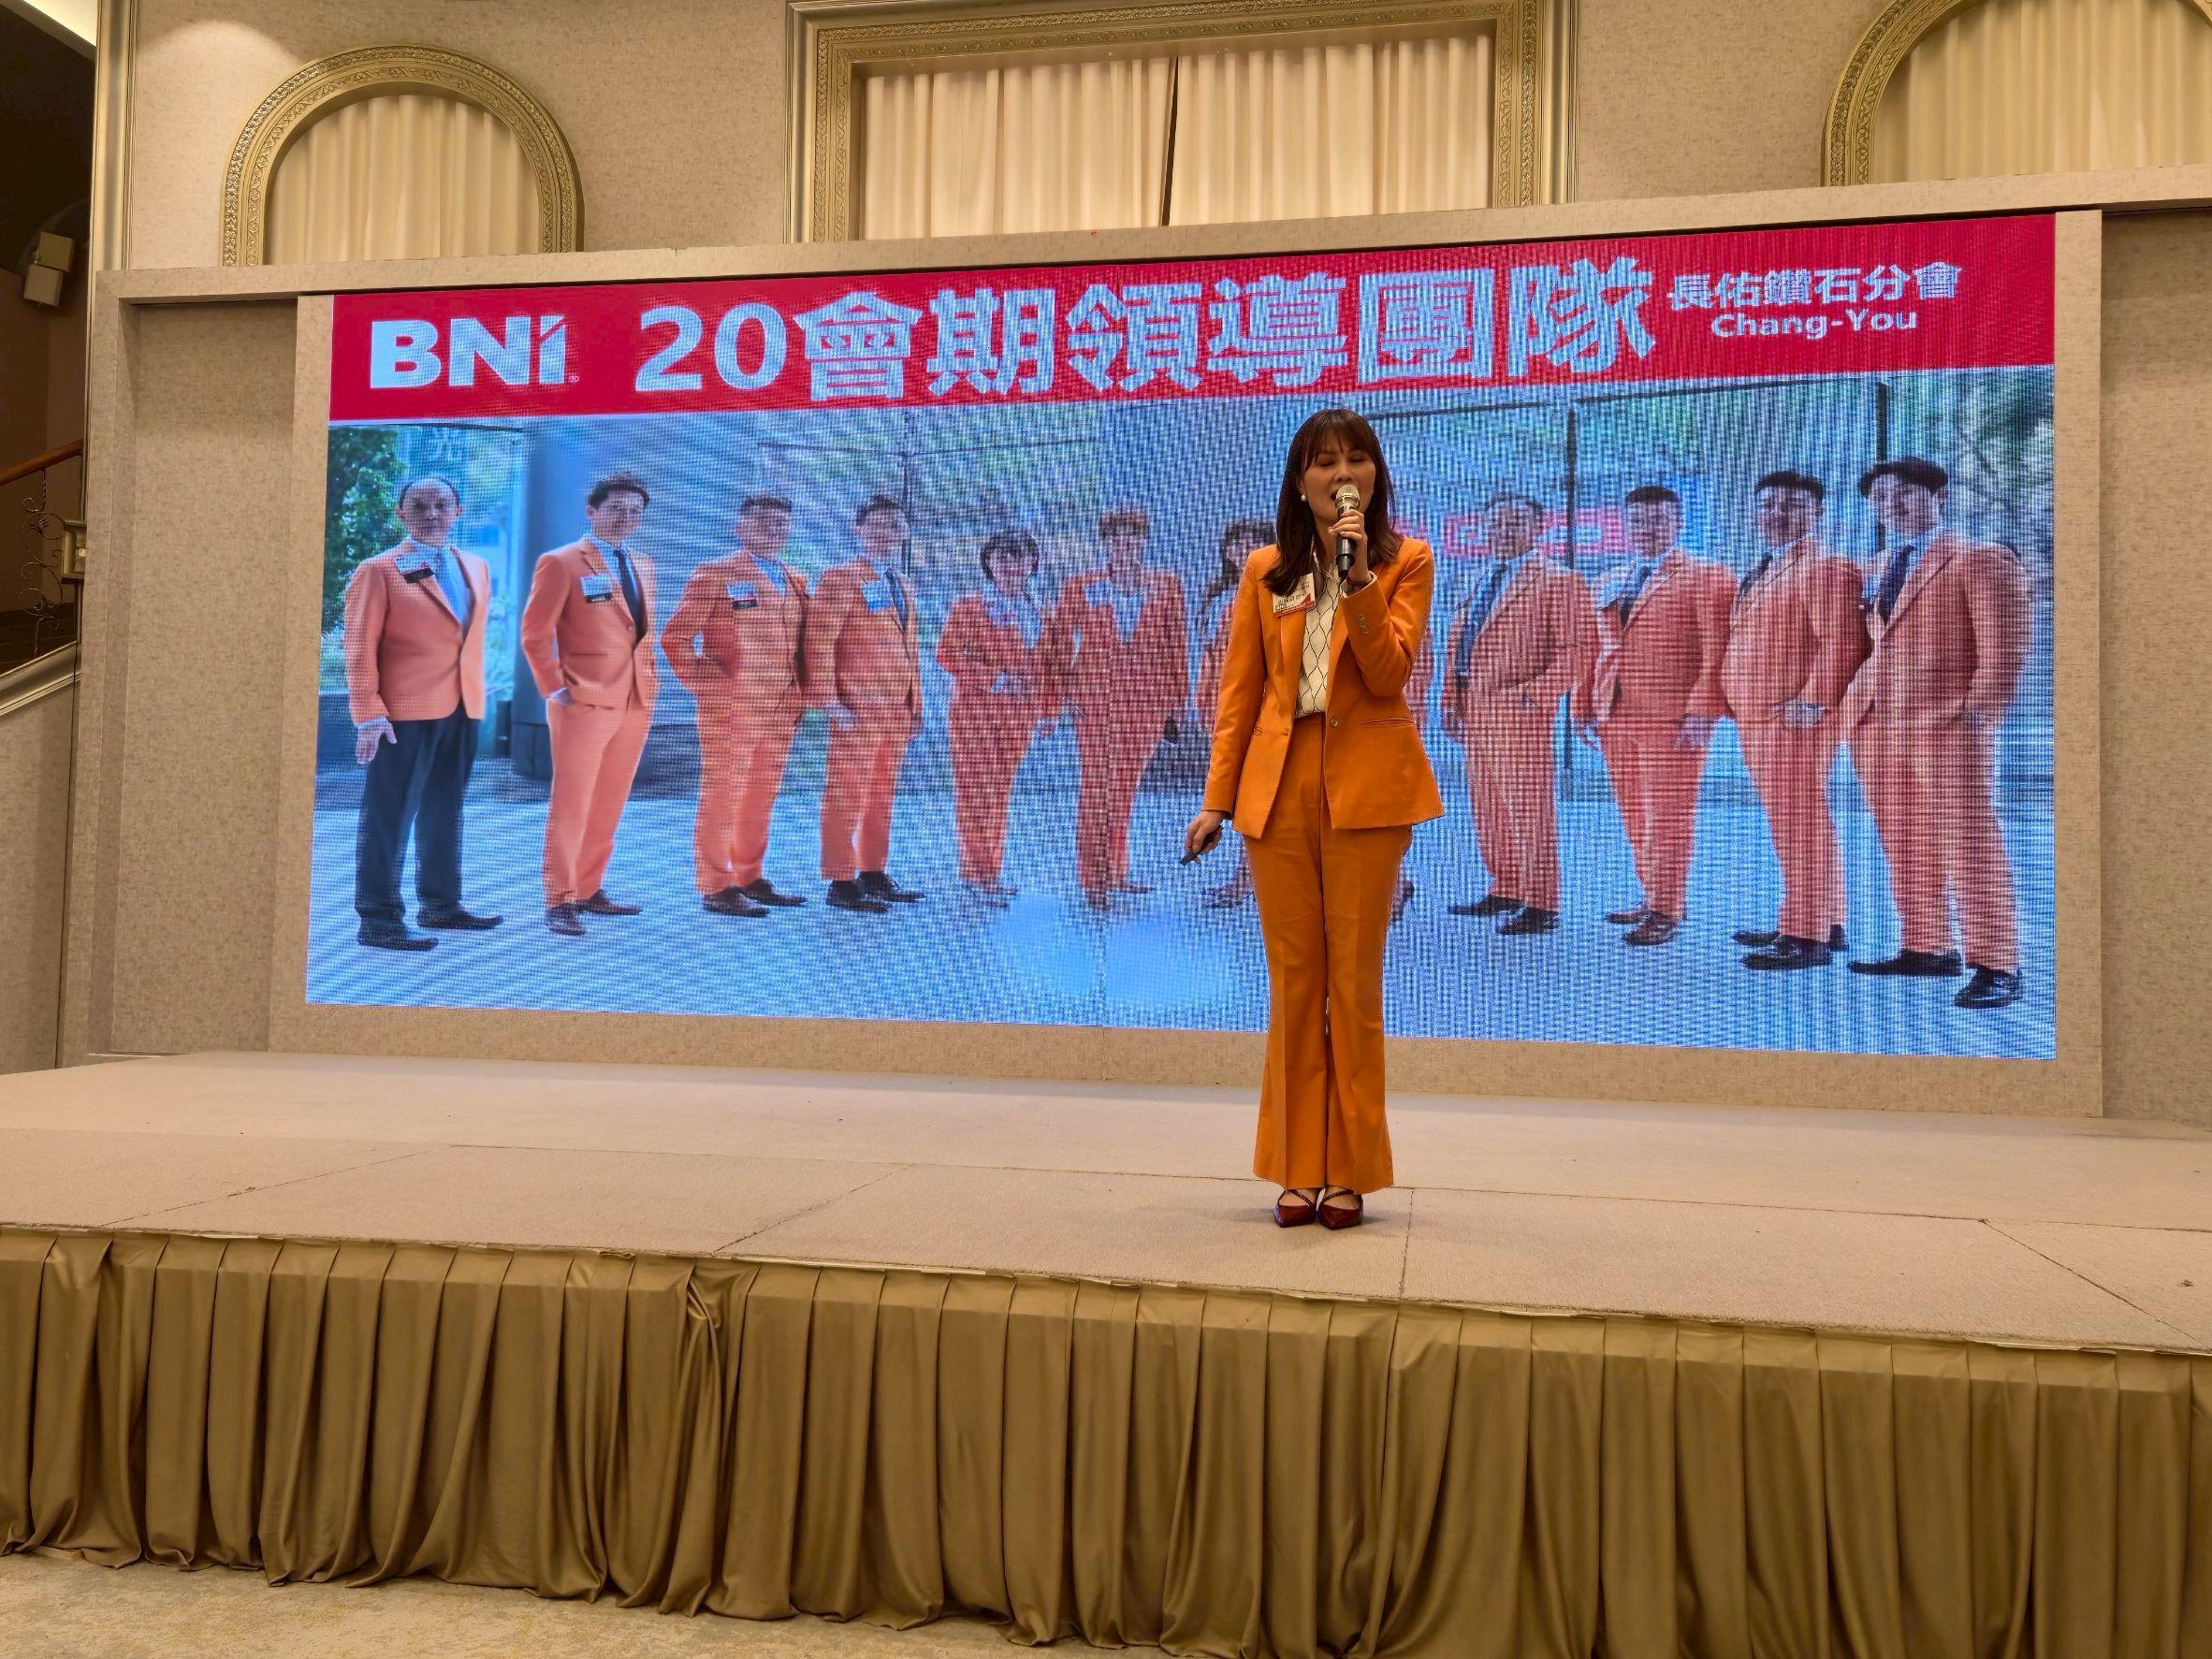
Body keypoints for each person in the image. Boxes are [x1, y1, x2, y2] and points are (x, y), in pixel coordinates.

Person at [1185, 407, 1444, 1231]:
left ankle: (1352, 1171)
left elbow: (1389, 673)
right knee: (1295, 983)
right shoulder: (1265, 569)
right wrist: (1217, 799)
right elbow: (1240, 694)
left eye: (1356, 459)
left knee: (1352, 985)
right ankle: (1300, 1167)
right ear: (1300, 483)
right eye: (1324, 462)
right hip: (1278, 788)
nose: (1342, 474)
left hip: (1368, 793)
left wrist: (1358, 576)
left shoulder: (1406, 560)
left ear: (1376, 475)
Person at [1841, 458, 2031, 1009]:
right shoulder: (1879, 564)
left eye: (1903, 493)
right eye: (1880, 499)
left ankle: (1997, 963)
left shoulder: (1979, 558)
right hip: (1877, 723)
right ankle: (1927, 946)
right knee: (1905, 838)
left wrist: (1979, 715)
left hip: (1947, 723)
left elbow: (2005, 647)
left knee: (1968, 840)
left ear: (1938, 495)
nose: (1891, 505)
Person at [342, 475, 500, 951]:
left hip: (463, 706)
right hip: (403, 713)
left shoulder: (476, 566)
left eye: (441, 504)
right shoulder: (378, 570)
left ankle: (441, 905)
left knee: (444, 810)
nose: (431, 513)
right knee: (389, 815)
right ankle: (378, 919)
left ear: (458, 511)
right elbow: (358, 646)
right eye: (419, 505)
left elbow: (464, 637)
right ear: (401, 513)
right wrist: (369, 712)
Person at [1720, 470, 1869, 970]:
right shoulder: (1768, 566)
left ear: (1817, 513)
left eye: (1792, 505)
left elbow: (1843, 641)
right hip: (1760, 715)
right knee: (1799, 822)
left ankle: (1806, 936)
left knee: (1799, 824)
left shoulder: (1825, 567)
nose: (1777, 514)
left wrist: (1814, 701)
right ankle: (1824, 920)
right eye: (1768, 505)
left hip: (1794, 718)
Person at [1579, 485, 1734, 947]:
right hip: (1614, 713)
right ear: (1624, 526)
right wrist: (1584, 704)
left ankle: (1667, 908)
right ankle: (1652, 895)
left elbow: (1716, 650)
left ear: (1678, 522)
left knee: (1668, 816)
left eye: (1658, 519)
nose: (1647, 528)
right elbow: (1596, 648)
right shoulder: (1610, 578)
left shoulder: (1707, 575)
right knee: (1635, 813)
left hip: (1672, 718)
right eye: (1638, 520)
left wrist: (1703, 711)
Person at [1438, 492, 1597, 935]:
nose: (1504, 532)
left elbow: (1579, 651)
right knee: (1488, 805)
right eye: (1496, 523)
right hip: (1474, 709)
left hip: (1520, 710)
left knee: (1528, 806)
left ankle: (1541, 902)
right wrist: (1451, 701)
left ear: (1538, 528)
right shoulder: (1478, 578)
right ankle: (1506, 886)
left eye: (1515, 523)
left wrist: (1533, 695)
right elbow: (1458, 643)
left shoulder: (1559, 580)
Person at [519, 471, 660, 939]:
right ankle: (559, 899)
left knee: (609, 801)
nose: (625, 517)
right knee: (572, 803)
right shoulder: (561, 562)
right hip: (582, 700)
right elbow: (535, 633)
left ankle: (589, 887)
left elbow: (640, 633)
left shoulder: (643, 563)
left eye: (634, 511)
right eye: (616, 508)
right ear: (592, 511)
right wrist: (554, 689)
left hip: (635, 699)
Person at [660, 492, 811, 920]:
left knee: (761, 795)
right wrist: (710, 686)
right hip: (732, 708)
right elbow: (675, 638)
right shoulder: (715, 574)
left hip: (781, 706)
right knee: (724, 795)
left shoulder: (795, 578)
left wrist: (803, 692)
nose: (773, 529)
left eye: (780, 522)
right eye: (762, 521)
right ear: (740, 527)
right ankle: (715, 884)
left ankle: (749, 875)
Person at [1044, 505, 1191, 910]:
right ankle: (1093, 878)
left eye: (1133, 536)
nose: (1125, 543)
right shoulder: (1080, 586)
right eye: (1116, 537)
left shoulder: (1166, 585)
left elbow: (1176, 646)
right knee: (1097, 787)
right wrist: (1057, 698)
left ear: (1144, 542)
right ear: (1105, 543)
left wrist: (1178, 701)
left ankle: (1116, 870)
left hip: (1147, 702)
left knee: (1124, 788)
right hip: (1094, 702)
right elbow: (1059, 643)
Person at [806, 495, 926, 913]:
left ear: (904, 533)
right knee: (846, 794)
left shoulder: (902, 582)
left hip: (896, 711)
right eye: (876, 524)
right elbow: (819, 643)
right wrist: (829, 701)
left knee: (881, 795)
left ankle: (873, 871)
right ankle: (841, 881)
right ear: (858, 530)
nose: (886, 533)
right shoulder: (840, 578)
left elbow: (909, 648)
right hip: (855, 710)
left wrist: (915, 705)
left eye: (895, 525)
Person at [936, 529, 1055, 906]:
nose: (1010, 564)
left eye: (1019, 557)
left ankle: (988, 871)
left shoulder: (1042, 611)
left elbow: (1050, 666)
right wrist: (997, 679)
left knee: (999, 792)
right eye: (1002, 556)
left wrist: (1048, 711)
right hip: (975, 712)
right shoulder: (969, 606)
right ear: (987, 562)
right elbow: (947, 654)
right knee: (976, 793)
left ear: (1033, 564)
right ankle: (977, 874)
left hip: (1020, 715)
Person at [1194, 518, 1274, 910]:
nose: (1243, 551)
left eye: (1254, 544)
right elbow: (1211, 658)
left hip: (1258, 715)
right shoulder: (1220, 593)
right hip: (1222, 712)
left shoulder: (1277, 593)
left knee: (1255, 801)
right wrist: (1204, 705)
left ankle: (1249, 879)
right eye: (1237, 544)